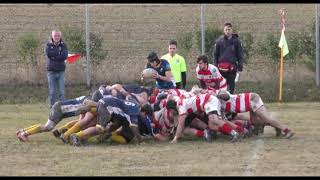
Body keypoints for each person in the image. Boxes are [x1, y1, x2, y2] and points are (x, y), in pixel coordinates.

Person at [213, 22, 244, 94]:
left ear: (231, 30)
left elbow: (240, 55)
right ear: (224, 30)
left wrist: (240, 67)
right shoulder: (219, 41)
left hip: (232, 67)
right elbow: (215, 55)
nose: (227, 31)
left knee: (231, 87)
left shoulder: (237, 41)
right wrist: (215, 66)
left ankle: (230, 101)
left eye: (229, 29)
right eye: (226, 29)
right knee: (220, 87)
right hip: (221, 68)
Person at [45, 30, 68, 107]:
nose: (57, 37)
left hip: (61, 71)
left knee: (62, 91)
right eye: (55, 36)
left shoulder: (64, 45)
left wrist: (54, 56)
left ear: (60, 36)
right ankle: (52, 107)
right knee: (53, 91)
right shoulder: (48, 45)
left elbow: (64, 56)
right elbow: (49, 54)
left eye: (58, 36)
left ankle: (63, 106)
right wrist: (59, 54)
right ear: (52, 36)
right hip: (51, 72)